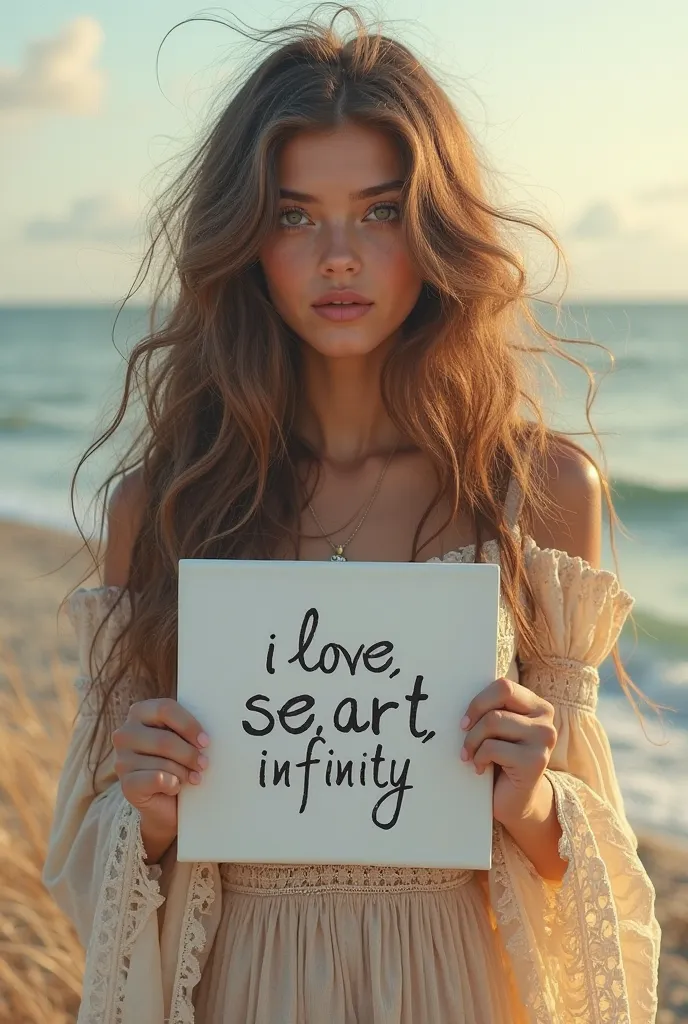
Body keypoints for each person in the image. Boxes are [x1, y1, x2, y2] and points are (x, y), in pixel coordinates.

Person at [43, 7, 661, 1023]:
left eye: (378, 212)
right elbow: (95, 877)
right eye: (295, 215)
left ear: (433, 231)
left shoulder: (537, 492)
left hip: (456, 985)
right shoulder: (167, 505)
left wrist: (532, 796)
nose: (339, 256)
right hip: (244, 985)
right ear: (245, 242)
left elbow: (584, 866)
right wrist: (145, 814)